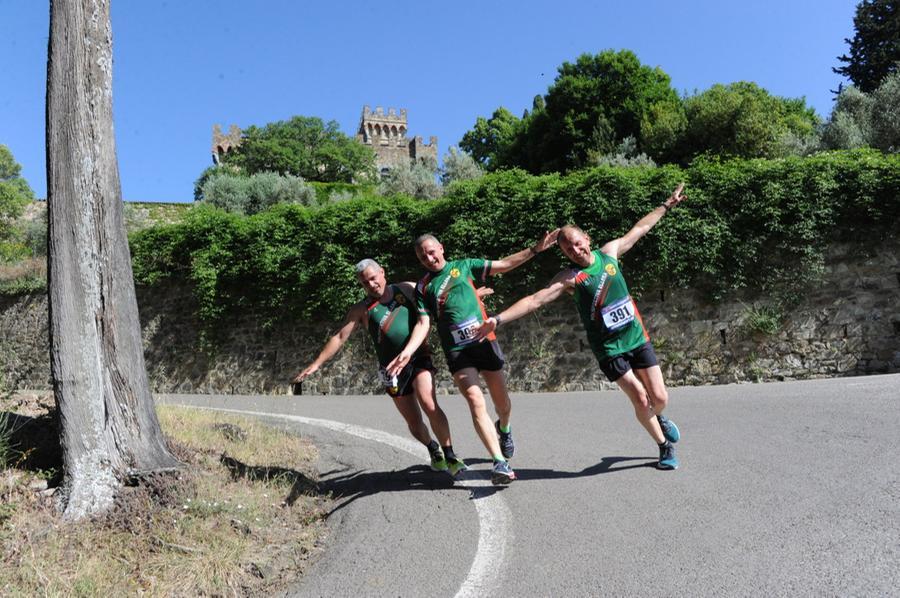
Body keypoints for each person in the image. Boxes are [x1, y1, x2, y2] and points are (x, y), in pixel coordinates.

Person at [475, 184, 687, 470]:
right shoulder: (570, 278)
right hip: (609, 348)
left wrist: (666, 205)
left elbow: (640, 229)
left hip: (637, 338)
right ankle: (664, 447)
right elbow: (535, 300)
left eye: (577, 243)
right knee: (638, 396)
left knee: (659, 398)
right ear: (563, 253)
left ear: (587, 238)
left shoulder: (609, 253)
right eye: (567, 249)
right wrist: (497, 319)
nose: (575, 251)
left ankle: (658, 416)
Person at [387, 230, 560, 485]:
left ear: (441, 248)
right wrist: (408, 351)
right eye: (422, 256)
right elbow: (424, 322)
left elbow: (504, 265)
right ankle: (500, 463)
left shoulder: (464, 266)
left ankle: (505, 427)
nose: (428, 257)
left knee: (503, 403)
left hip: (484, 342)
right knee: (475, 401)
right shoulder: (424, 287)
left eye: (431, 251)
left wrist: (535, 249)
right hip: (457, 350)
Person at [293, 258, 468, 477]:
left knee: (428, 402)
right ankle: (433, 449)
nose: (371, 285)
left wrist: (471, 297)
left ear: (382, 272)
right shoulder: (361, 309)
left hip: (417, 357)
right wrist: (316, 364)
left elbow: (438, 299)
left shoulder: (405, 289)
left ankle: (450, 456)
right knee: (413, 421)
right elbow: (339, 337)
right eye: (365, 283)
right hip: (391, 371)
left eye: (373, 278)